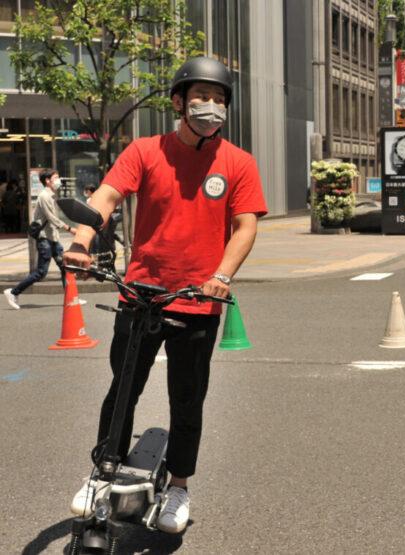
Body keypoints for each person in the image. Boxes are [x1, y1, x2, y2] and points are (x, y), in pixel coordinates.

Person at [63, 56, 267, 533]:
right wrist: (80, 242)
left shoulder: (238, 163)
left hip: (199, 298)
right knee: (123, 389)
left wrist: (223, 274)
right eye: (202, 97)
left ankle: (178, 486)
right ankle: (102, 471)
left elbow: (245, 226)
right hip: (140, 292)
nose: (211, 107)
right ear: (179, 102)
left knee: (187, 399)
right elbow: (107, 197)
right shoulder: (146, 150)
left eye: (219, 99)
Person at [4, 169, 75, 309]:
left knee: (64, 267)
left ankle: (70, 298)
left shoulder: (51, 195)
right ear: (47, 181)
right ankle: (13, 292)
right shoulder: (44, 196)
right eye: (56, 177)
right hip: (45, 239)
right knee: (41, 272)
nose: (58, 180)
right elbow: (51, 218)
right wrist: (69, 228)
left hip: (52, 238)